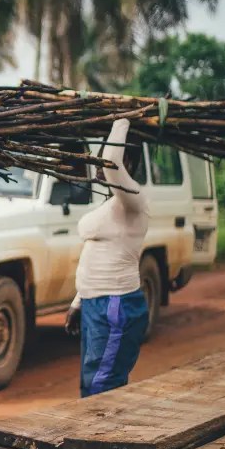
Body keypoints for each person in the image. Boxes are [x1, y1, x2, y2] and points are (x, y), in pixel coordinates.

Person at [64, 118, 150, 397]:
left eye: (105, 156)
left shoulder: (133, 200)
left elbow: (112, 158)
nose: (101, 162)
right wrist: (78, 302)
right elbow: (94, 256)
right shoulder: (110, 205)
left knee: (103, 385)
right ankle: (92, 437)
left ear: (126, 162)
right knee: (91, 382)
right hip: (94, 304)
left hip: (116, 305)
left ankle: (104, 439)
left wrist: (122, 118)